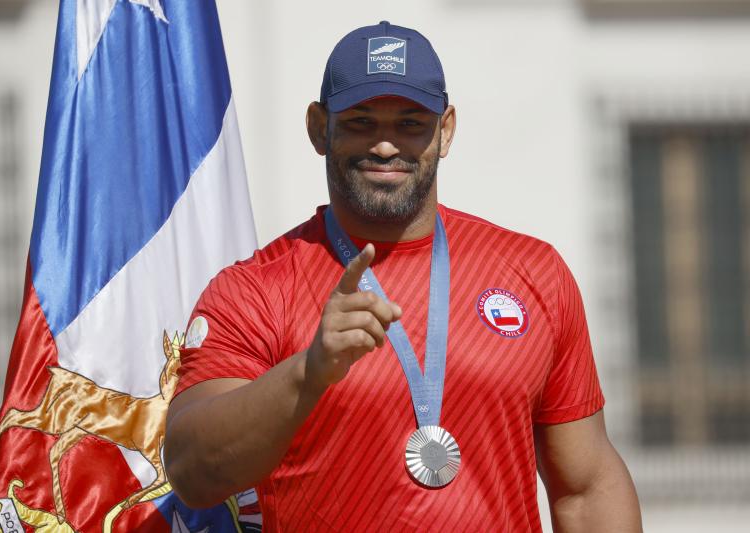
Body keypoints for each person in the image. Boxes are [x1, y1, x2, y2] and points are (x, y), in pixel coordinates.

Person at [165, 21, 642, 531]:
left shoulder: (534, 272)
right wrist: (308, 371)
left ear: (447, 130)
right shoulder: (254, 291)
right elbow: (193, 470)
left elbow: (587, 487)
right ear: (317, 128)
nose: (386, 146)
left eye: (410, 123)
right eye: (361, 122)